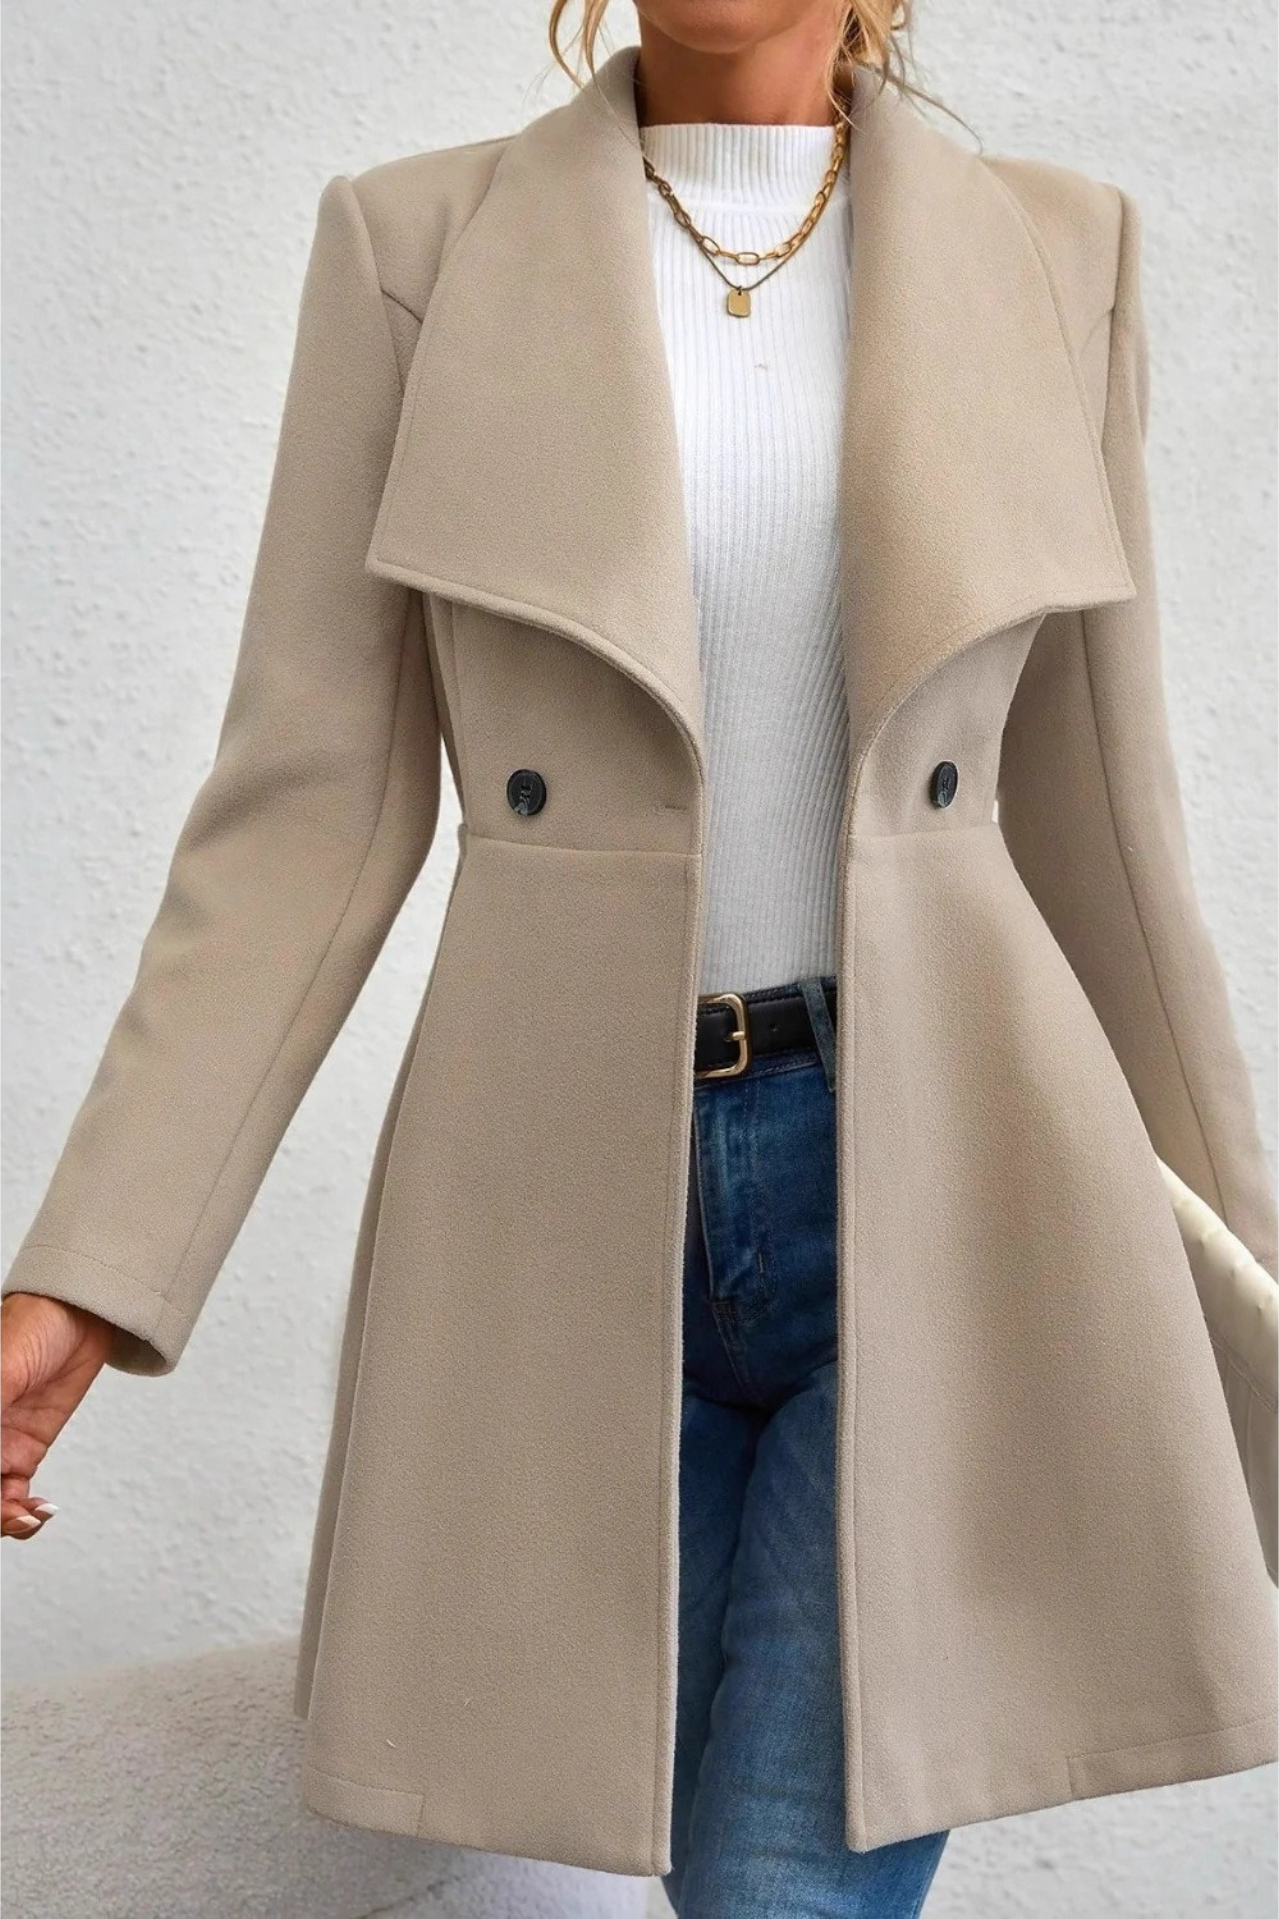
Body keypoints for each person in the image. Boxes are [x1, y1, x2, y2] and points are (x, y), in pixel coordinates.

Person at [5, 4, 1279, 1915]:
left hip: (936, 1181)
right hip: (558, 1207)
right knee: (664, 1848)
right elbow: (305, 816)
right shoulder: (417, 252)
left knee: (778, 1881)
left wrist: (1247, 1313)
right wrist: (87, 1277)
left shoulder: (1052, 252)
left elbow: (1103, 827)